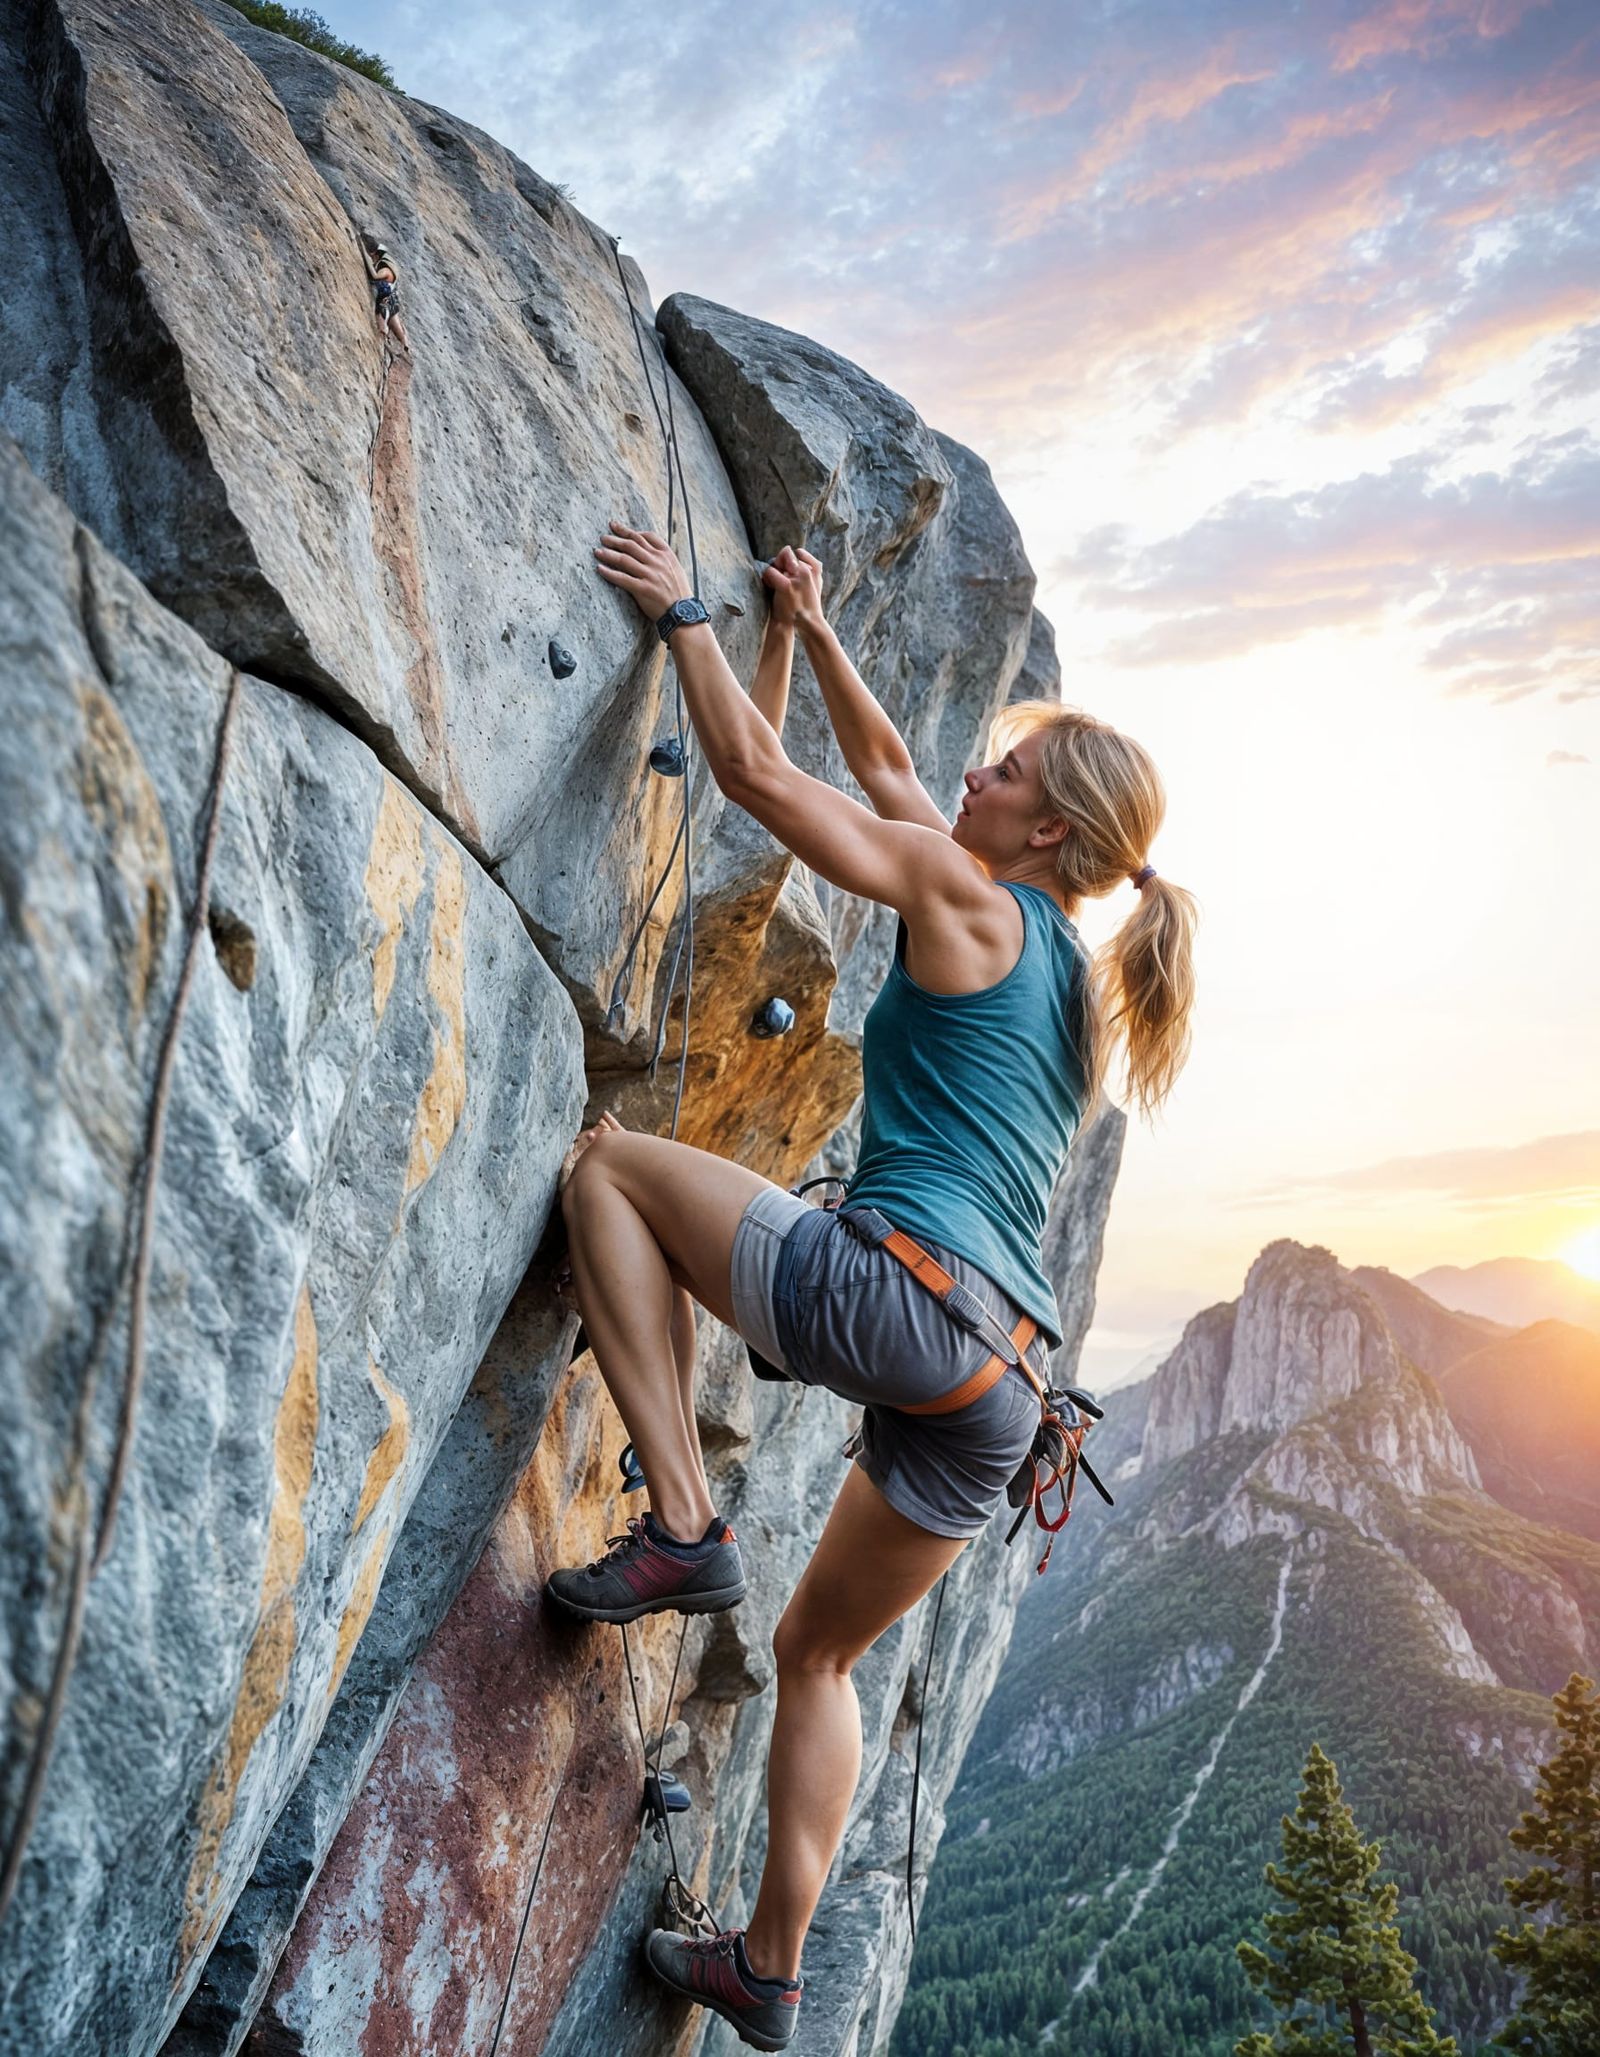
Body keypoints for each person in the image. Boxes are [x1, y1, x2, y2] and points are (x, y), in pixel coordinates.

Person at [546, 527, 1198, 2051]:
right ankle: (770, 1967)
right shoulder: (1050, 964)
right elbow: (895, 764)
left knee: (606, 1169)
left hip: (902, 1297)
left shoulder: (962, 897)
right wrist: (817, 626)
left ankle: (685, 1527)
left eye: (1011, 777)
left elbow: (762, 777)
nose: (977, 774)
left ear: (1048, 835)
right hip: (1004, 1395)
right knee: (816, 1654)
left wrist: (689, 616)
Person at [359, 233, 410, 355]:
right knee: (395, 322)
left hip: (384, 297)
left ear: (375, 255)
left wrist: (365, 258)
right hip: (392, 296)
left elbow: (375, 276)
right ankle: (405, 345)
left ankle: (383, 336)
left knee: (380, 317)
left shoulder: (385, 269)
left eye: (373, 257)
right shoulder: (388, 263)